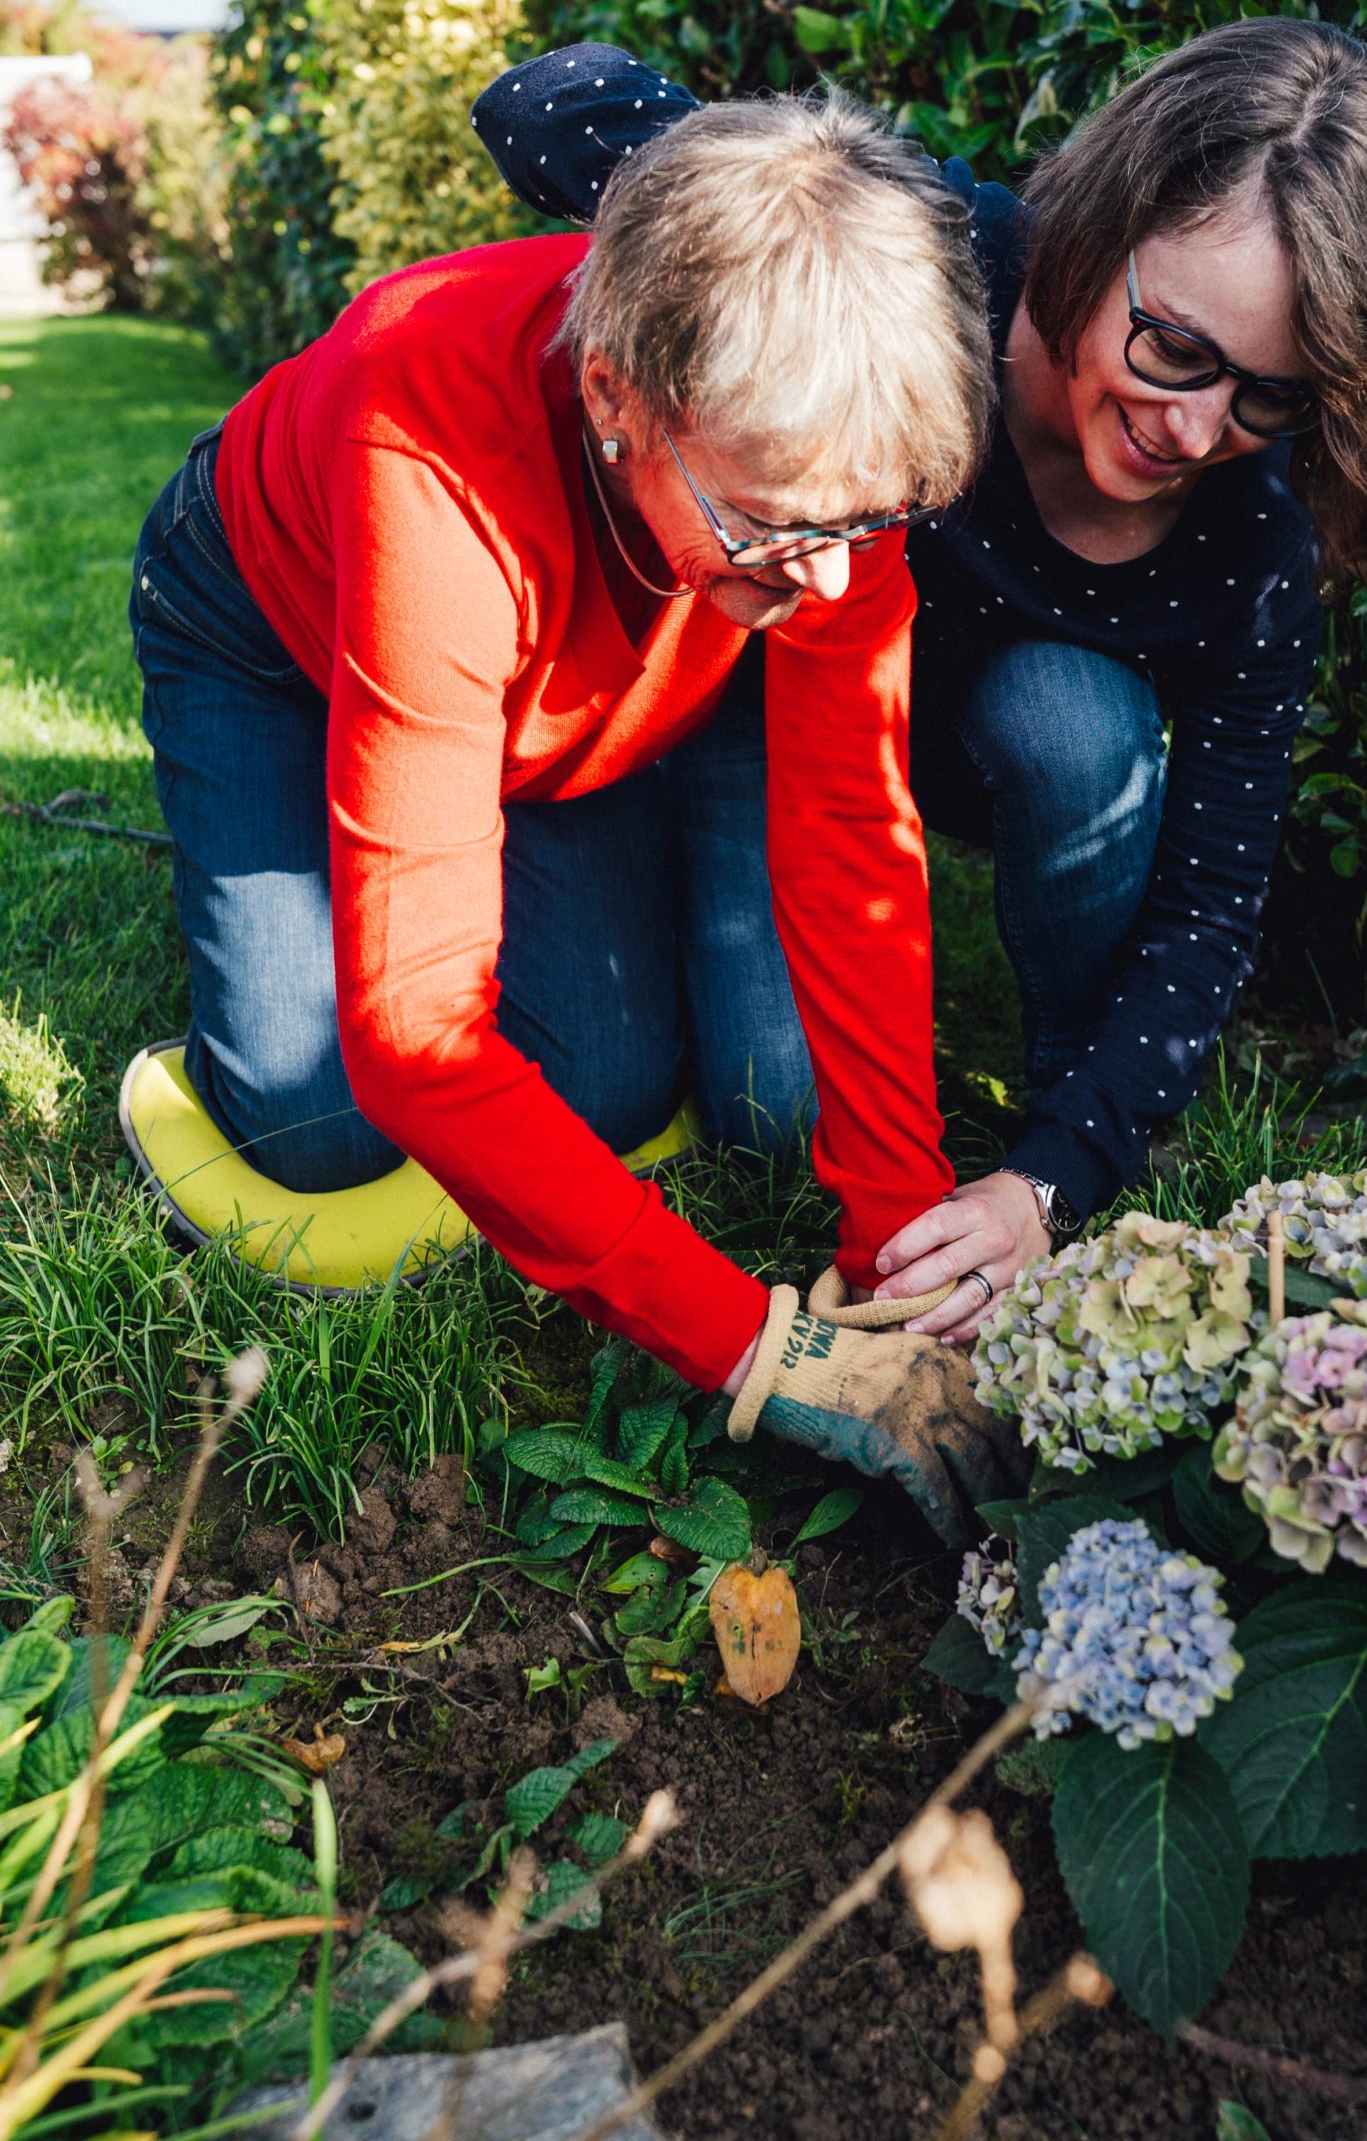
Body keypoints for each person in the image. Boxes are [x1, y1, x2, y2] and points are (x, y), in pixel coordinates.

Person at [475, 18, 1367, 1339]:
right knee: (773, 1110)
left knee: (1076, 721)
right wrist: (730, 195)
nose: (1197, 428)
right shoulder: (926, 264)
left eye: (1272, 398)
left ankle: (1055, 1084)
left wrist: (1051, 1180)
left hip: (992, 746)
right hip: (785, 717)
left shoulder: (1256, 538)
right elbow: (534, 99)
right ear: (1102, 228)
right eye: (1174, 347)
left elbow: (1213, 907)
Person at [126, 87, 1021, 1540]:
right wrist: (767, 1355)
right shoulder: (420, 433)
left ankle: (491, 799)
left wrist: (896, 1247)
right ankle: (271, 830)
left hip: (551, 693)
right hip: (270, 638)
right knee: (315, 1122)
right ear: (615, 395)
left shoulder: (818, 494)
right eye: (787, 528)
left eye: (877, 527)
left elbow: (854, 844)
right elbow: (421, 1042)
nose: (844, 588)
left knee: (604, 1088)